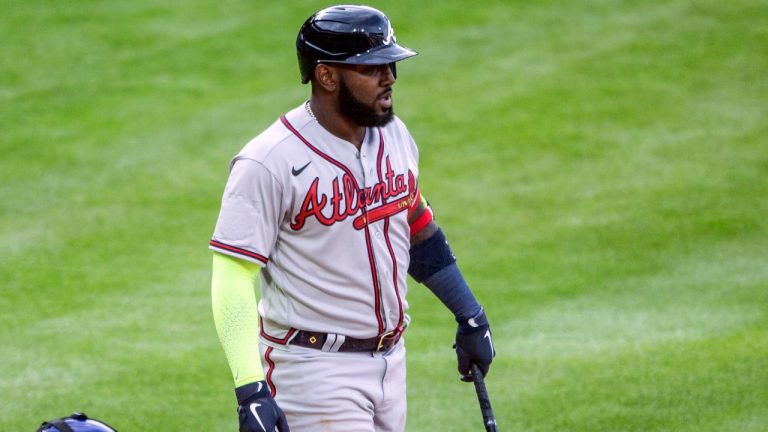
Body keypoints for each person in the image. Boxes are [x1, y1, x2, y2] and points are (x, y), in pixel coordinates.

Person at [209, 5, 495, 431]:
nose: (390, 78)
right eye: (373, 67)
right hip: (313, 370)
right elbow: (233, 273)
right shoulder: (269, 161)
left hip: (392, 364)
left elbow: (413, 223)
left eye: (391, 65)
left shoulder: (394, 137)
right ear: (327, 76)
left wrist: (468, 312)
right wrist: (250, 389)